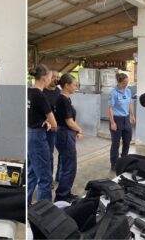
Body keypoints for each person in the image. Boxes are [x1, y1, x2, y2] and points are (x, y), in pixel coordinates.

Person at [27, 64, 57, 203]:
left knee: (32, 172)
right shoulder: (40, 96)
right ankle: (44, 211)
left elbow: (32, 113)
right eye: (51, 77)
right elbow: (54, 124)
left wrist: (43, 120)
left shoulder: (29, 92)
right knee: (45, 178)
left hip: (29, 133)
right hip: (38, 137)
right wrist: (50, 122)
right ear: (44, 78)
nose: (52, 80)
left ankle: (25, 205)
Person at [54, 74, 82, 202]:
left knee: (66, 164)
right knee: (69, 166)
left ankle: (65, 192)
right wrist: (79, 129)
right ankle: (62, 195)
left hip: (64, 133)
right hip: (64, 134)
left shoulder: (65, 99)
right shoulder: (63, 100)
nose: (76, 87)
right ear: (66, 85)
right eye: (74, 84)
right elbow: (69, 122)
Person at [108, 73, 135, 170]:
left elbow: (130, 104)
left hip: (126, 119)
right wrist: (112, 122)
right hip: (116, 119)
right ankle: (114, 164)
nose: (126, 84)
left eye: (127, 82)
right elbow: (110, 108)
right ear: (118, 82)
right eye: (124, 83)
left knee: (127, 141)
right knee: (116, 143)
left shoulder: (128, 91)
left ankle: (124, 161)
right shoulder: (113, 93)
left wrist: (132, 115)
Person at [42, 70, 60, 183]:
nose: (56, 79)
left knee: (63, 153)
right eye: (53, 77)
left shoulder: (59, 91)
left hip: (60, 127)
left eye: (57, 77)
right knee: (49, 154)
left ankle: (59, 176)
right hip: (48, 129)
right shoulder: (42, 92)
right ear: (47, 78)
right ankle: (49, 179)